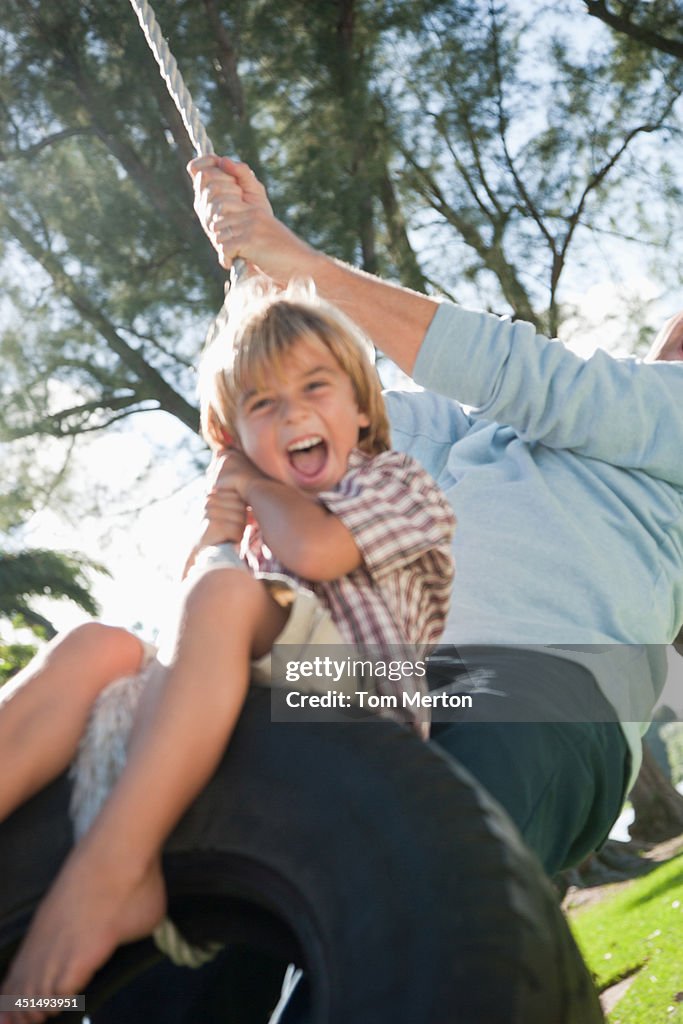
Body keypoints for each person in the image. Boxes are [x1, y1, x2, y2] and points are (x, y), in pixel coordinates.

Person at [188, 154, 683, 880]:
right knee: (225, 860)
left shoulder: (647, 420)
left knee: (420, 893)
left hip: (538, 683)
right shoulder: (508, 435)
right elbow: (355, 427)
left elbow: (524, 373)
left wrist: (292, 257)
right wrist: (264, 284)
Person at [0, 279, 454, 1023]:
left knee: (222, 598)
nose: (295, 412)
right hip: (238, 712)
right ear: (233, 435)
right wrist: (218, 527)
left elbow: (315, 550)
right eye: (263, 404)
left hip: (350, 706)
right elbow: (192, 606)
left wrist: (250, 489)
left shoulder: (393, 481)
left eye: (315, 386)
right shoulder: (252, 527)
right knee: (96, 645)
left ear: (363, 410)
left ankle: (114, 873)